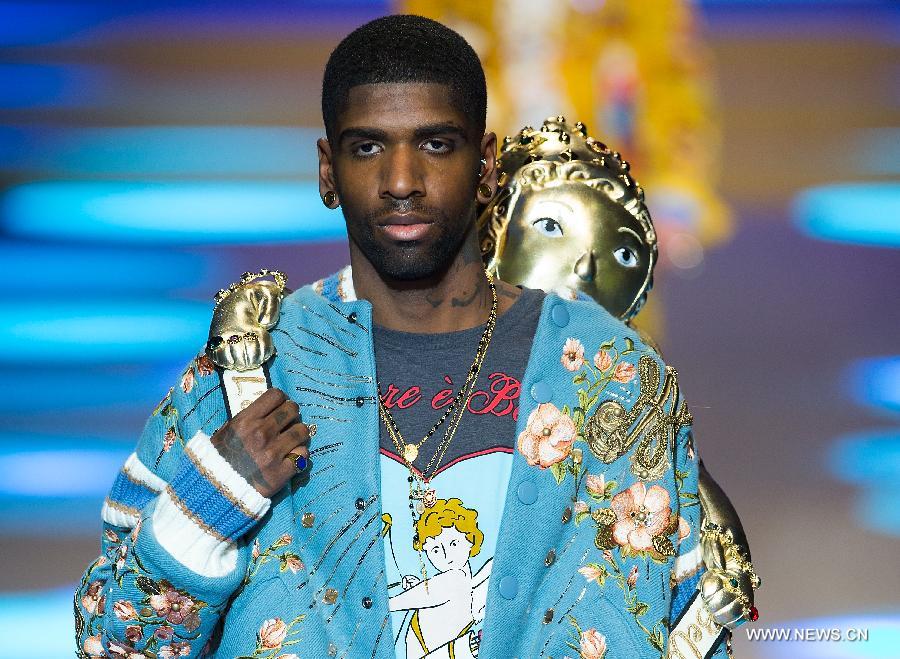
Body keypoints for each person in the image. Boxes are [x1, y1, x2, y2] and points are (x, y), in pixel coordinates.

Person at [75, 15, 727, 659]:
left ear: (486, 166)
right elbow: (110, 644)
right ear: (327, 171)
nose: (401, 182)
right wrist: (212, 498)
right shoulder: (253, 370)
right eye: (367, 148)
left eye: (436, 145)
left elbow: (694, 634)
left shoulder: (608, 374)